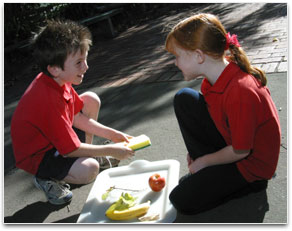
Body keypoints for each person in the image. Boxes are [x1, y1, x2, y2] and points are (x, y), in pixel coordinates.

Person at [165, 13, 281, 215]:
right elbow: (215, 120)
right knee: (185, 99)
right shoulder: (212, 80)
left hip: (250, 165)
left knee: (181, 200)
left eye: (177, 56)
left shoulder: (241, 91)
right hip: (234, 145)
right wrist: (198, 154)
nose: (175, 63)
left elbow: (241, 151)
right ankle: (210, 174)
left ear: (199, 56)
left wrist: (204, 161)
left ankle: (250, 185)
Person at [10, 20, 135, 205]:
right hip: (40, 156)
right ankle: (45, 178)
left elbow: (77, 116)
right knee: (89, 170)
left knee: (91, 99)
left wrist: (112, 134)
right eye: (78, 62)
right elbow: (70, 150)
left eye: (85, 59)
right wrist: (110, 150)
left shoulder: (59, 79)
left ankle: (88, 156)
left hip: (54, 138)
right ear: (54, 69)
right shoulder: (46, 99)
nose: (86, 67)